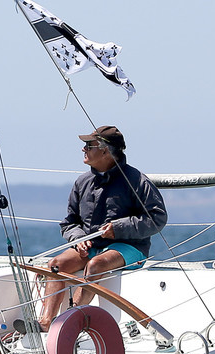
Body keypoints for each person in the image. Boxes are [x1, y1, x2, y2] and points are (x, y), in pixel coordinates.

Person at [38, 125, 166, 331]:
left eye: (89, 145)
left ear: (105, 150)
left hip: (130, 247)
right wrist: (79, 239)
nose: (83, 149)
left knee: (96, 266)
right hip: (91, 247)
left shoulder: (137, 181)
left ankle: (70, 322)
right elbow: (69, 223)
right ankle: (45, 323)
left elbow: (157, 218)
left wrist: (118, 228)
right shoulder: (82, 182)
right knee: (54, 264)